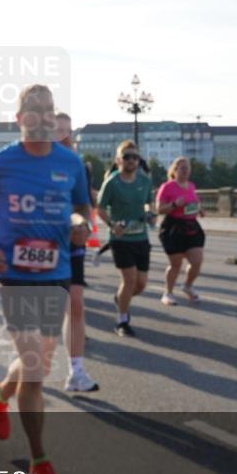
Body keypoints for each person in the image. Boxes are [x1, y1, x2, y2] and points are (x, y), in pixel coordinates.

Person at [0, 84, 91, 474]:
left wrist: (81, 223)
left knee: (38, 359)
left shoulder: (71, 162)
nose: (41, 117)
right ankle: (40, 462)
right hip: (15, 274)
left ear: (54, 117)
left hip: (56, 271)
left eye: (48, 110)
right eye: (33, 110)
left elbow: (82, 207)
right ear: (19, 119)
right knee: (36, 367)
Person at [53, 113, 99, 392]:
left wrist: (82, 224)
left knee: (76, 304)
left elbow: (84, 205)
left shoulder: (78, 165)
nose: (65, 136)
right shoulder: (34, 164)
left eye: (68, 130)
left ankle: (76, 372)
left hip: (72, 241)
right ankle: (17, 375)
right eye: (58, 130)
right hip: (43, 241)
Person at [97, 140, 152, 337]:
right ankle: (122, 321)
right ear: (118, 160)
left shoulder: (144, 181)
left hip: (141, 237)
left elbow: (148, 203)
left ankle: (121, 299)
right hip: (120, 240)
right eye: (127, 156)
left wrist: (149, 213)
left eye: (135, 157)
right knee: (129, 280)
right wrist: (113, 225)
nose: (131, 160)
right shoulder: (112, 182)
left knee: (141, 283)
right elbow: (100, 209)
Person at [156, 157, 205, 305]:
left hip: (191, 225)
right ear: (175, 170)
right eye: (183, 168)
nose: (186, 171)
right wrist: (174, 204)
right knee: (176, 264)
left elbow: (194, 202)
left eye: (188, 168)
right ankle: (168, 293)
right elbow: (159, 209)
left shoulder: (191, 186)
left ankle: (187, 286)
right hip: (173, 227)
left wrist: (199, 209)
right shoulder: (167, 187)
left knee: (197, 261)